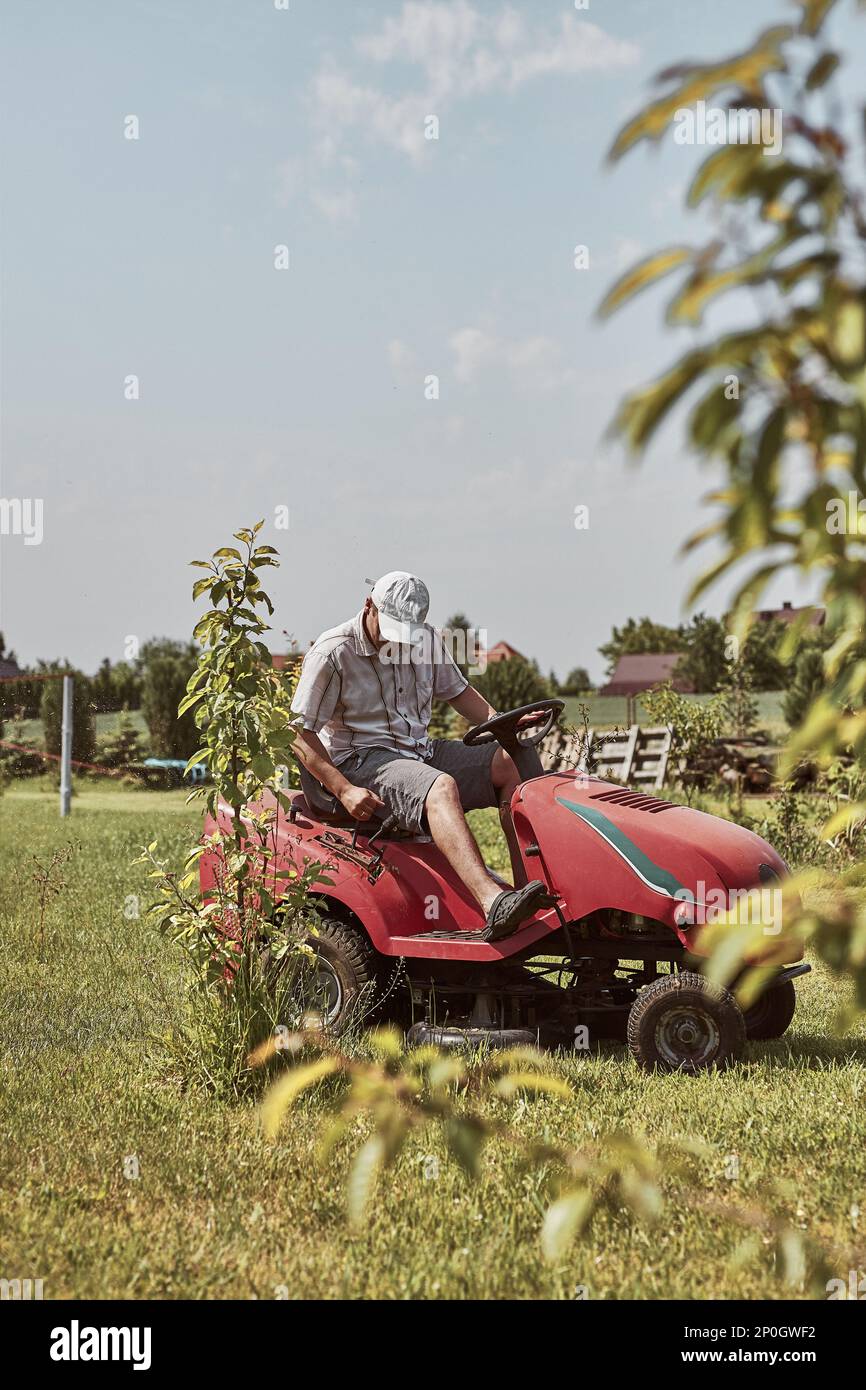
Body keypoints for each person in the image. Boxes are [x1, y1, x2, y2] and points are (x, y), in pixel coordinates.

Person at [289, 571, 550, 940]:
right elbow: (299, 736)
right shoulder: (333, 653)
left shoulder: (424, 638)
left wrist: (503, 723)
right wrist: (344, 789)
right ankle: (493, 902)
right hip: (361, 761)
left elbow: (458, 693)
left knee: (510, 762)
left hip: (418, 751)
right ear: (369, 607)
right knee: (440, 787)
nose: (401, 642)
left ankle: (531, 893)